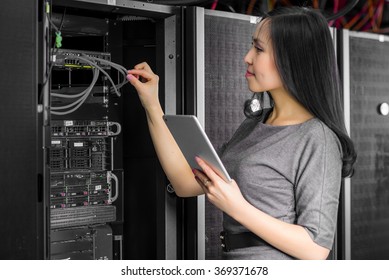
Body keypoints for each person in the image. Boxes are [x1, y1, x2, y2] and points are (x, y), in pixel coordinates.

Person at [126, 6, 356, 260]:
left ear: (291, 59)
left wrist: (237, 208)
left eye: (258, 49)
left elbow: (316, 249)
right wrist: (152, 104)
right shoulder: (253, 124)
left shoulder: (317, 137)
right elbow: (185, 183)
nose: (247, 57)